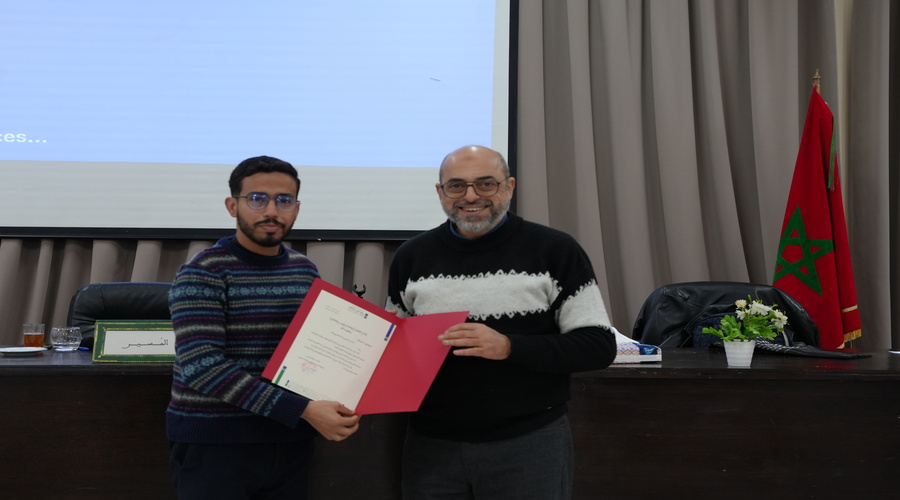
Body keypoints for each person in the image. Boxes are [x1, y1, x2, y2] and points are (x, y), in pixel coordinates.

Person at [386, 145, 618, 500]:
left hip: (529, 443)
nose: (470, 196)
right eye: (456, 186)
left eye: (485, 184)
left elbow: (597, 346)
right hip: (430, 445)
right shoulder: (411, 257)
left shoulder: (554, 250)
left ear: (509, 187)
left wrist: (509, 346)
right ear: (440, 192)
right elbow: (396, 355)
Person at [166, 155, 360, 499]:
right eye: (257, 199)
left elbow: (317, 352)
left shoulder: (304, 270)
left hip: (290, 440)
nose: (271, 211)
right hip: (217, 445)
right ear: (232, 206)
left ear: (296, 208)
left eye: (284, 200)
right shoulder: (204, 271)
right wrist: (302, 410)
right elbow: (203, 367)